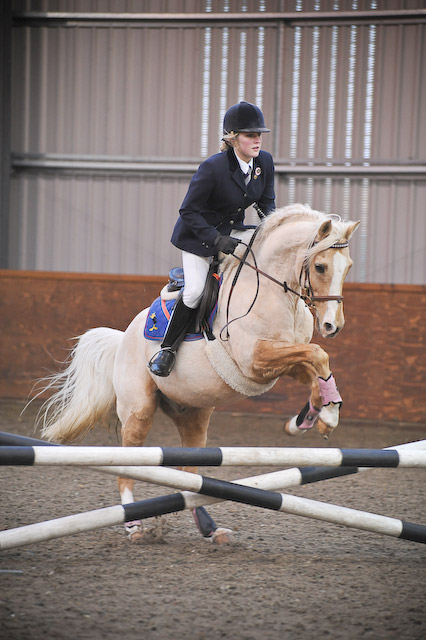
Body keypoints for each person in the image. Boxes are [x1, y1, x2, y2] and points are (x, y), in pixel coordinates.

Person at [148, 100, 276, 377]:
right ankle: (167, 349)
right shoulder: (213, 168)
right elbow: (188, 211)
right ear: (233, 139)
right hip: (199, 236)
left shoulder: (263, 162)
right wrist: (216, 241)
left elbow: (267, 207)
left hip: (233, 231)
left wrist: (273, 234)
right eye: (250, 135)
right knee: (195, 291)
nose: (257, 140)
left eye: (259, 135)